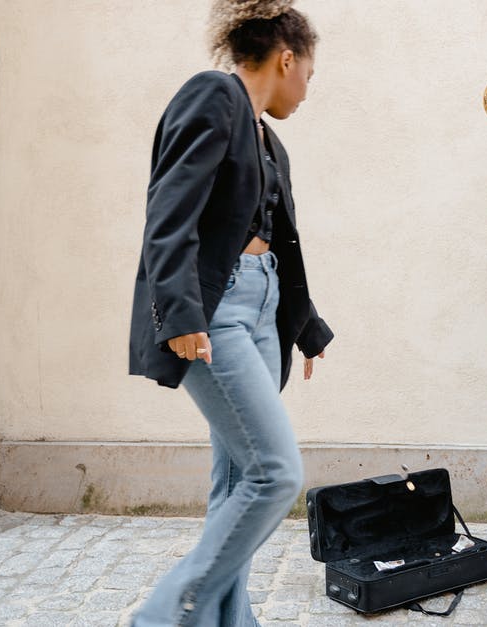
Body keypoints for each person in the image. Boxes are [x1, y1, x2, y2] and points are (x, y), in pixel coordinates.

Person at [127, 1, 332, 623]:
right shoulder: (213, 96)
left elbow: (279, 244)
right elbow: (169, 214)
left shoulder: (268, 137)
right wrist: (181, 315)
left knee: (235, 487)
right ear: (287, 57)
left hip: (260, 313)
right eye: (309, 74)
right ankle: (165, 614)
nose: (307, 89)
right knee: (274, 474)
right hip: (216, 312)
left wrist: (306, 327)